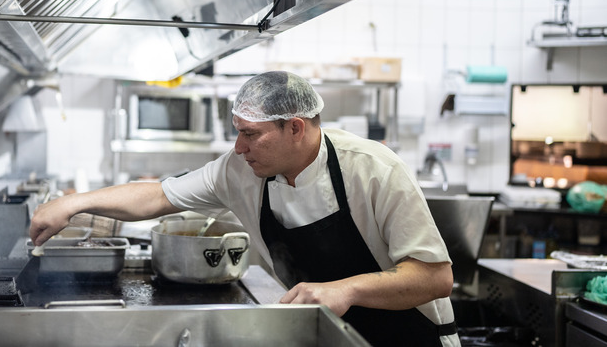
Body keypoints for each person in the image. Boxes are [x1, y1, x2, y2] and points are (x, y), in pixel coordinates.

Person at [30, 71, 460, 347]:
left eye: (251, 135)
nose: (239, 147)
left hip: (410, 339)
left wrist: (345, 289)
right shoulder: (241, 170)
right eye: (238, 133)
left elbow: (435, 277)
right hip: (326, 337)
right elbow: (158, 196)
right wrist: (74, 203)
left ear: (295, 128)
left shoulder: (373, 170)